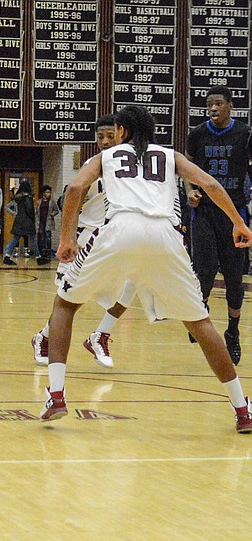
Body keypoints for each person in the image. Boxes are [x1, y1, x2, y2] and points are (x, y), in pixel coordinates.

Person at [40, 104, 252, 434]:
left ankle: (56, 395)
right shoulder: (170, 156)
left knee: (65, 304)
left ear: (122, 132)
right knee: (200, 322)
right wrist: (238, 222)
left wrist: (67, 237)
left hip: (120, 229)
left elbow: (75, 188)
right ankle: (241, 408)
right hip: (166, 236)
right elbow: (209, 184)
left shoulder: (106, 157)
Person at [31, 115, 136, 368]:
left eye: (110, 136)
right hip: (88, 235)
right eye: (100, 137)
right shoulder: (93, 164)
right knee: (70, 297)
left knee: (134, 284)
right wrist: (68, 235)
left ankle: (101, 334)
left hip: (119, 236)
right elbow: (70, 196)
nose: (105, 141)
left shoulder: (132, 165)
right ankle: (43, 337)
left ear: (122, 133)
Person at [186, 85, 252, 365]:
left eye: (218, 104)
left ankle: (233, 332)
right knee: (204, 269)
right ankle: (200, 311)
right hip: (204, 212)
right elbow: (187, 166)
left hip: (234, 213)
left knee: (235, 280)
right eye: (210, 104)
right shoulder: (198, 134)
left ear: (230, 106)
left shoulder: (245, 134)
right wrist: (190, 189)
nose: (213, 109)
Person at [3, 180, 37, 265]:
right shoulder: (28, 197)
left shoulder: (17, 198)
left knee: (15, 238)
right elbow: (30, 210)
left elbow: (7, 207)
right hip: (27, 220)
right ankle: (38, 257)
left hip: (18, 220)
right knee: (32, 238)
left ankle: (7, 256)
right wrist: (32, 217)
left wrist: (15, 214)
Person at [36, 184, 60, 264]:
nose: (48, 194)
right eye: (47, 192)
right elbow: (36, 212)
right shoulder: (39, 202)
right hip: (41, 221)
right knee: (41, 237)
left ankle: (48, 253)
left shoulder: (52, 202)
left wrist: (51, 215)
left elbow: (56, 210)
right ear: (43, 193)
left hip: (48, 221)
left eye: (49, 192)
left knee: (48, 237)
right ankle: (41, 253)